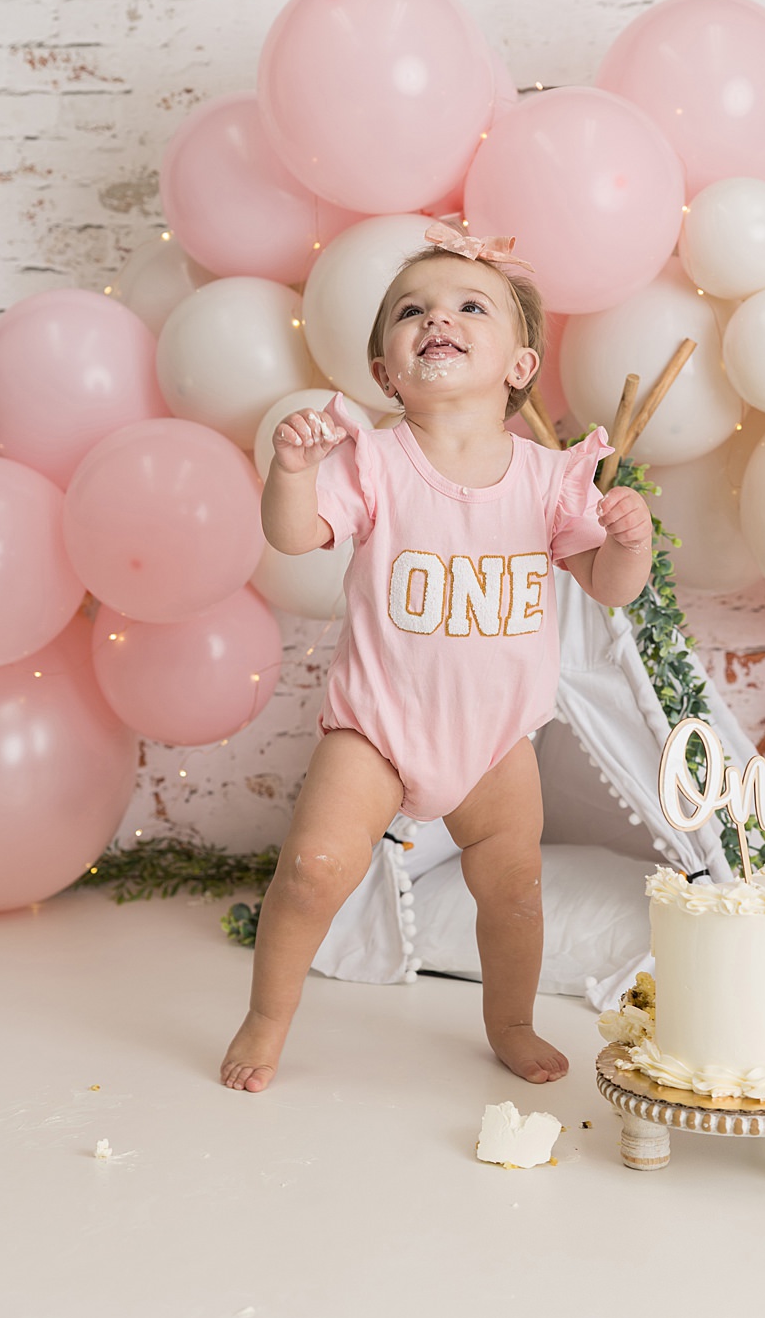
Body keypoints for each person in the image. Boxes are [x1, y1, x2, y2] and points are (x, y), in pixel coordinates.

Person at [222, 224, 654, 1092]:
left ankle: (512, 1020)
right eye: (412, 310)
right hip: (378, 727)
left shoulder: (546, 480)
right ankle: (267, 1016)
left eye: (468, 306)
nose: (437, 319)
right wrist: (294, 471)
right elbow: (294, 533)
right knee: (311, 872)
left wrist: (630, 540)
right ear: (385, 372)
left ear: (519, 367)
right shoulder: (375, 462)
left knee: (516, 890)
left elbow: (608, 589)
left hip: (495, 741)